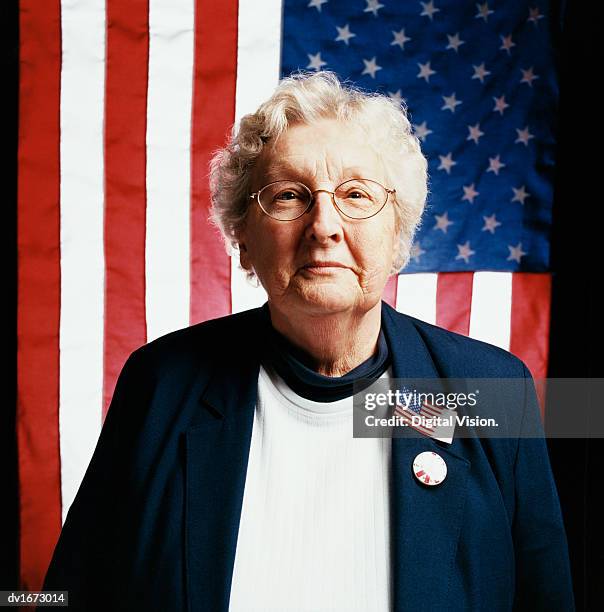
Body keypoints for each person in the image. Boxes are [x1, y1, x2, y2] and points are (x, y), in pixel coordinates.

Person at [41, 71, 574, 611]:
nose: (324, 227)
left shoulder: (492, 390)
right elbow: (68, 594)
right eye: (290, 196)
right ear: (243, 239)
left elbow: (548, 598)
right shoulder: (161, 382)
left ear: (399, 237)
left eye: (356, 194)